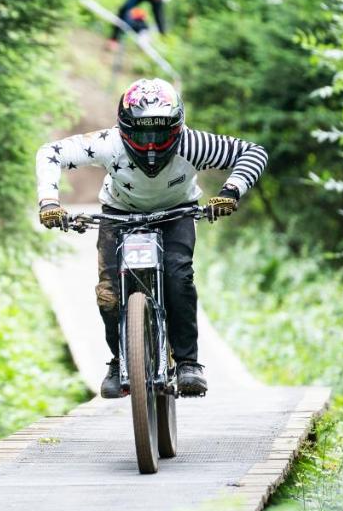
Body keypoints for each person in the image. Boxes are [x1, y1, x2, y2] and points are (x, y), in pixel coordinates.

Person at [35, 78, 267, 399]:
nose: (152, 144)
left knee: (178, 276)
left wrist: (230, 192)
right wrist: (49, 201)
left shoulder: (192, 144)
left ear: (178, 127)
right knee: (109, 293)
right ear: (123, 129)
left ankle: (188, 364)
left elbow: (252, 152)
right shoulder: (108, 143)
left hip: (176, 214)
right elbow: (50, 152)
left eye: (161, 133)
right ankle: (118, 362)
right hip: (117, 214)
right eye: (142, 133)